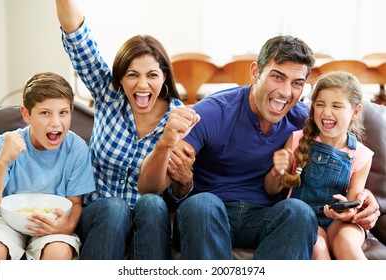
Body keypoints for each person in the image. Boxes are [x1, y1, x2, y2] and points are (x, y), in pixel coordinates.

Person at [138, 35, 381, 259]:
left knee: (299, 212)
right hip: (211, 213)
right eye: (277, 76)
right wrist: (164, 146)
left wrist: (366, 198)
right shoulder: (213, 112)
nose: (285, 92)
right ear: (255, 72)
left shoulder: (304, 121)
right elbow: (148, 187)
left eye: (297, 83)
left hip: (265, 217)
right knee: (202, 203)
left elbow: (344, 156)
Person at [55, 0, 186, 259]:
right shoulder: (109, 94)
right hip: (100, 214)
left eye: (151, 75)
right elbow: (77, 37)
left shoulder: (178, 118)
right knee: (114, 208)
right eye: (132, 75)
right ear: (120, 78)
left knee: (151, 203)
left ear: (164, 76)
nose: (142, 85)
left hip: (148, 220)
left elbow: (165, 189)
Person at [264, 71, 373, 259]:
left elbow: (352, 204)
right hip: (304, 220)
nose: (326, 112)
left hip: (342, 221)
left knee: (346, 241)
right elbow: (271, 190)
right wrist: (277, 171)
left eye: (337, 106)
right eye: (320, 104)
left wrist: (346, 214)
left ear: (355, 112)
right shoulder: (297, 140)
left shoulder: (362, 155)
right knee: (318, 246)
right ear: (313, 107)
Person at [0, 72, 95, 260]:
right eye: (45, 113)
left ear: (71, 111)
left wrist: (66, 227)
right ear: (26, 114)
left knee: (59, 251)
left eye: (63, 113)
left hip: (51, 224)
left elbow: (75, 203)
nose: (55, 123)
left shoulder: (76, 148)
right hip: (6, 221)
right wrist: (2, 162)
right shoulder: (6, 143)